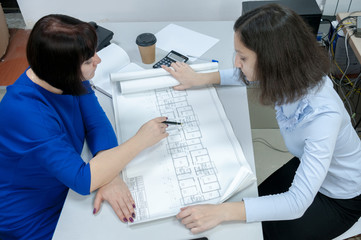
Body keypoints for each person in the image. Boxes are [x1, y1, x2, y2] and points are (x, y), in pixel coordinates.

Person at [163, 4, 361, 240]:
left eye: (243, 56)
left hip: (340, 198)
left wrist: (221, 212)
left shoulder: (322, 118)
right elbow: (246, 76)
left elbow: (296, 203)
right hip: (309, 168)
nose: (236, 62)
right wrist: (200, 78)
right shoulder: (291, 74)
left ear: (272, 61)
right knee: (246, 205)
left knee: (253, 231)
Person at [0, 14, 169, 240]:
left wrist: (109, 175)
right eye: (89, 61)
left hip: (66, 186)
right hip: (35, 213)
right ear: (64, 71)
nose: (98, 61)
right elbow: (82, 180)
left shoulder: (60, 76)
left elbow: (95, 122)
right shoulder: (28, 114)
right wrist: (140, 140)